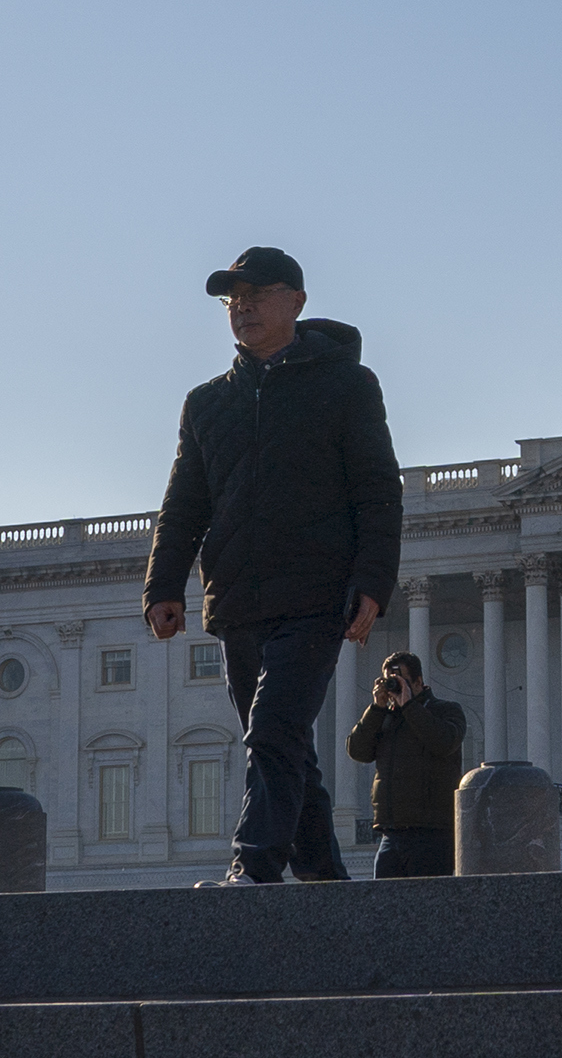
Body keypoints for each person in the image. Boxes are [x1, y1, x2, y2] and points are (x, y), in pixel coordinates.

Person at [143, 246, 398, 887]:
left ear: (297, 302)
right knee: (287, 750)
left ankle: (253, 865)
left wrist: (373, 582)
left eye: (257, 293)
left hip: (317, 597)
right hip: (236, 602)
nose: (243, 306)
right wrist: (164, 584)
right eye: (233, 299)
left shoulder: (347, 386)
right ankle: (324, 884)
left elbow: (377, 488)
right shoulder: (206, 404)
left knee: (274, 730)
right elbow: (184, 502)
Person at [349, 649, 469, 875]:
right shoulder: (384, 717)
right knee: (383, 904)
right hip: (391, 833)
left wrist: (409, 706)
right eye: (389, 681)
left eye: (399, 680)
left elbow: (444, 741)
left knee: (427, 905)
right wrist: (376, 708)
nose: (393, 686)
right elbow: (357, 751)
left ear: (418, 681)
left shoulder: (446, 710)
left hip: (432, 833)